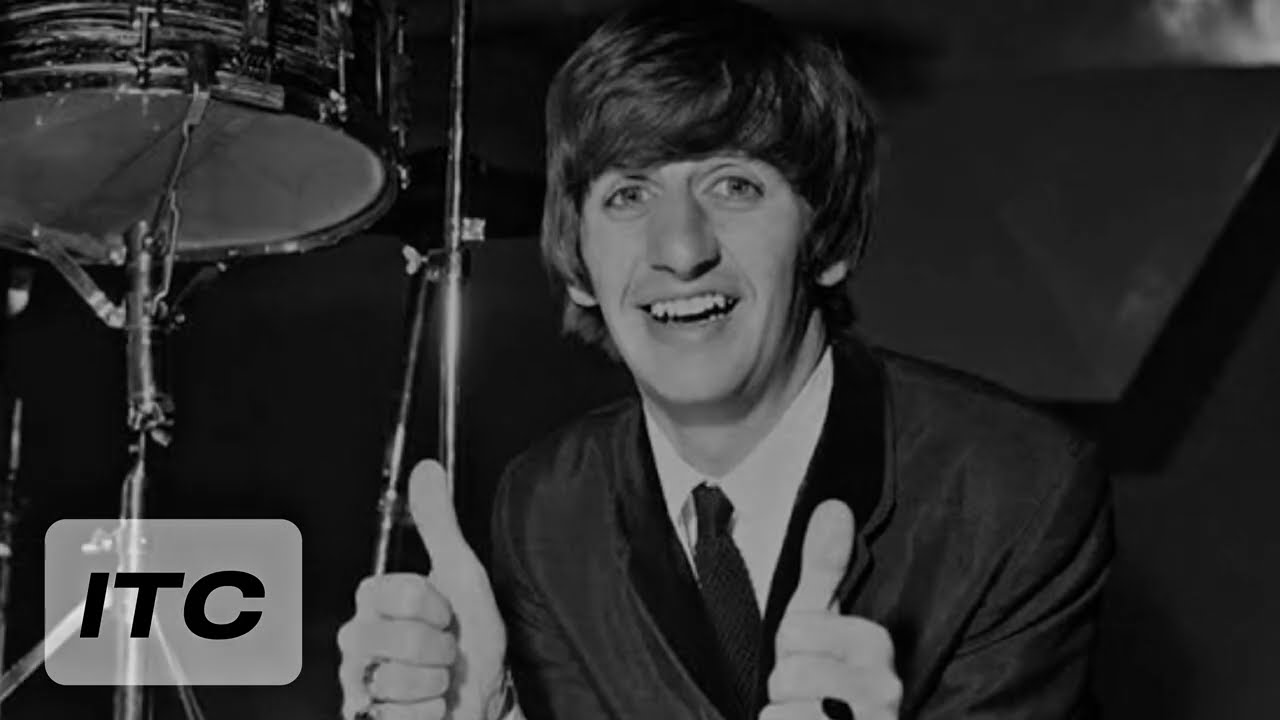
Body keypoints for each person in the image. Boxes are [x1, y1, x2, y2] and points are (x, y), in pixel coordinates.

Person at [337, 1, 1114, 718]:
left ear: (828, 239)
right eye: (628, 195)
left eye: (734, 185)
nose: (680, 249)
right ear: (578, 265)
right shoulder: (545, 508)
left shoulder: (1017, 490)